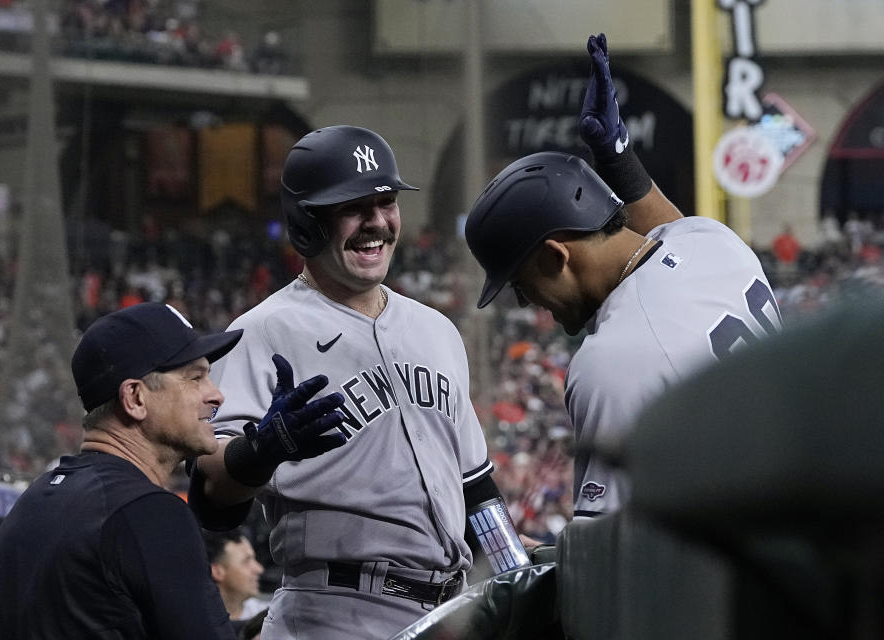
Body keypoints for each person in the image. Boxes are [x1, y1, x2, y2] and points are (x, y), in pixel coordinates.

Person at [192, 125, 529, 640]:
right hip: (333, 613)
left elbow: (475, 490)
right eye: (354, 207)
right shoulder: (261, 330)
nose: (377, 223)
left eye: (387, 202)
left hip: (447, 614)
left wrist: (518, 580)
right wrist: (262, 449)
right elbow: (211, 497)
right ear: (307, 223)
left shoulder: (435, 329)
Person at [464, 33, 783, 519]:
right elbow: (668, 231)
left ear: (555, 255)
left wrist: (546, 560)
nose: (528, 303)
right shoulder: (714, 243)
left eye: (520, 284)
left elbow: (608, 560)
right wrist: (615, 156)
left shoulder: (610, 361)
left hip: (725, 574)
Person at [0, 302, 346, 640]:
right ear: (135, 398)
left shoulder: (31, 503)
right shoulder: (148, 512)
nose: (216, 395)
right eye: (195, 378)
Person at [203, 527, 268, 622]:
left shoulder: (269, 618)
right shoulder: (193, 626)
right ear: (217, 572)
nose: (259, 569)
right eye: (246, 561)